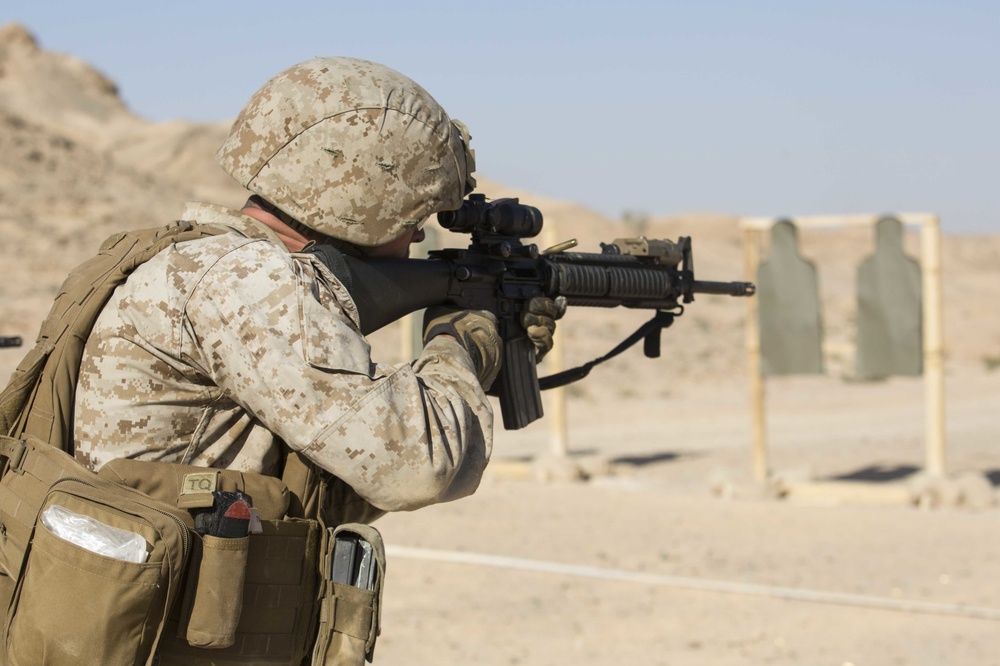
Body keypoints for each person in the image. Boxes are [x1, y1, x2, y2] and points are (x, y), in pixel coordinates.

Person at [66, 56, 562, 662]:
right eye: (412, 217)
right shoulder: (249, 285)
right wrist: (464, 342)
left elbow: (326, 477)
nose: (415, 239)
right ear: (362, 196)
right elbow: (419, 464)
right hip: (162, 633)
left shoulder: (201, 261)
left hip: (162, 620)